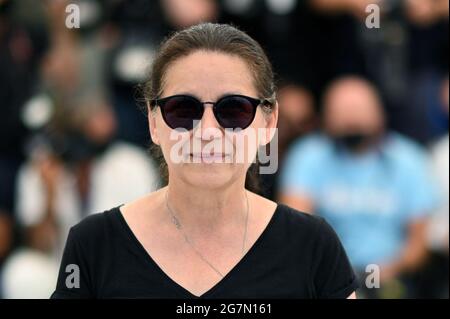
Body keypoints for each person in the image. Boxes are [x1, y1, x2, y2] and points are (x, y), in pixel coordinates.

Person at [51, 23, 358, 299]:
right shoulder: (94, 245)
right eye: (183, 110)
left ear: (269, 122)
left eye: (234, 110)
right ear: (153, 123)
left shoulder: (313, 245)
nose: (208, 131)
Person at [279, 76, 439, 298]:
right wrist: (336, 276)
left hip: (389, 277)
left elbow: (419, 244)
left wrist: (378, 274)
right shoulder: (308, 155)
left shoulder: (409, 159)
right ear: (325, 116)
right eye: (342, 110)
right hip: (324, 276)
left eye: (358, 109)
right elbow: (295, 227)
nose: (351, 118)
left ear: (380, 113)